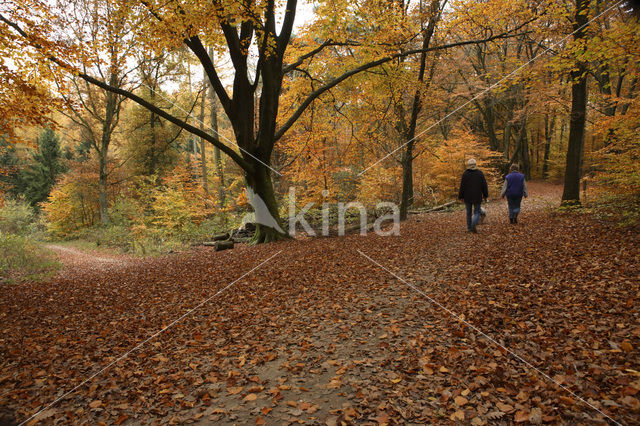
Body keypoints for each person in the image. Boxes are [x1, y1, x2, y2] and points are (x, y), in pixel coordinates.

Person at [458, 158, 488, 233]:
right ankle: (474, 223)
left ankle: (469, 228)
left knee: (468, 213)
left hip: (467, 197)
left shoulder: (465, 174)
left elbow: (462, 186)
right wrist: (485, 195)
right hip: (477, 196)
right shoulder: (480, 173)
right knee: (477, 212)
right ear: (475, 165)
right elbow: (484, 185)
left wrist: (461, 196)